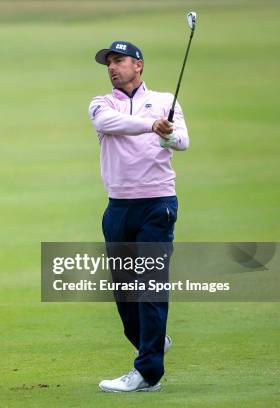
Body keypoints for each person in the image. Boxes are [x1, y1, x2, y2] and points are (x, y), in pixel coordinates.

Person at [87, 41, 190, 392]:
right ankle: (153, 342)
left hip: (157, 205)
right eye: (109, 63)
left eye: (119, 61)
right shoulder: (101, 104)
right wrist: (152, 126)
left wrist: (168, 135)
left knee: (149, 286)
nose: (112, 67)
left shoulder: (165, 101)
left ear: (139, 65)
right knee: (125, 293)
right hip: (117, 208)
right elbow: (113, 124)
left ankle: (148, 373)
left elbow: (183, 142)